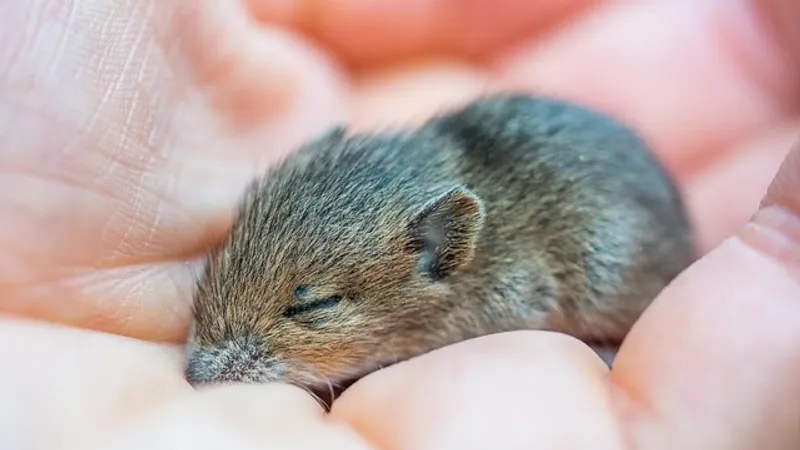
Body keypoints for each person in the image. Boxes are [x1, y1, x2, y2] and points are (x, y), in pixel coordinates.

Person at [0, 0, 797, 448]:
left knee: (599, 260)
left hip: (602, 199)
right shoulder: (338, 209)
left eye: (306, 308)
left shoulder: (468, 269)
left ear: (438, 250)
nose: (212, 361)